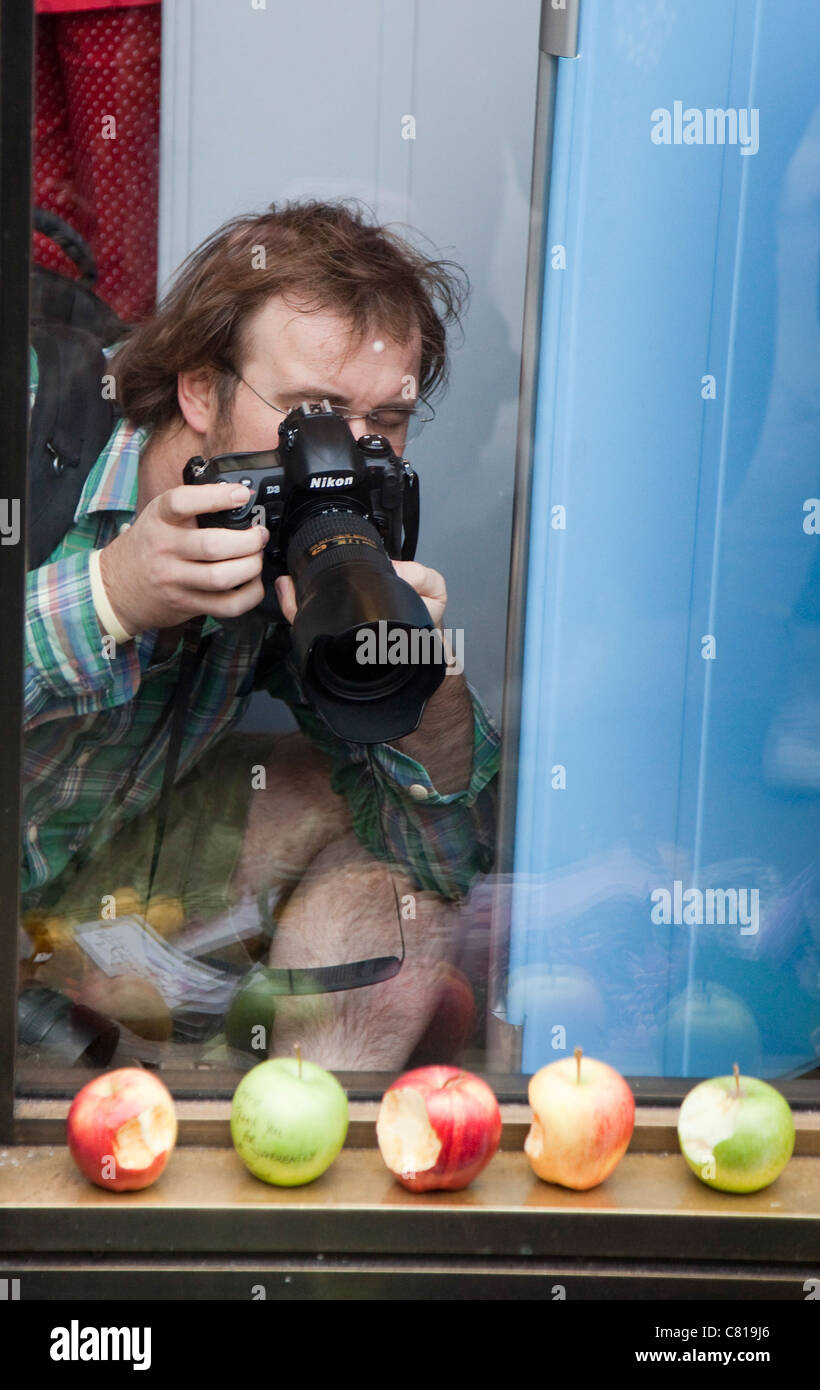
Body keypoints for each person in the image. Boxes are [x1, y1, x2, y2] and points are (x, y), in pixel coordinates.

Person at [22, 199, 501, 1067]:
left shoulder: (313, 535)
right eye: (313, 413)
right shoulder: (28, 417)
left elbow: (441, 864)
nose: (346, 460)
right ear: (198, 387)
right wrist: (108, 594)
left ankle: (303, 1145)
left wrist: (428, 694)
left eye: (384, 424)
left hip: (97, 873)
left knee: (384, 869)